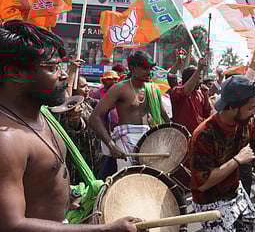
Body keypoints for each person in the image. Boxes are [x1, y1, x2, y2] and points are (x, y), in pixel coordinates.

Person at [0, 20, 142, 231]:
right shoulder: (7, 140)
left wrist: (70, 201)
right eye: (52, 68)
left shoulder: (42, 116)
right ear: (15, 72)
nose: (64, 75)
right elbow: (11, 225)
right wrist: (104, 229)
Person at [189, 75, 255, 232]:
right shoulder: (203, 135)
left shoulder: (249, 123)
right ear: (232, 107)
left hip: (234, 192)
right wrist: (237, 160)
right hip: (209, 201)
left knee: (253, 227)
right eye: (250, 108)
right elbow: (203, 184)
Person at [90, 50, 169, 170]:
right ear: (132, 68)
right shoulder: (119, 89)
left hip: (148, 140)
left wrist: (170, 138)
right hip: (124, 141)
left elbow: (164, 116)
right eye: (144, 68)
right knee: (127, 180)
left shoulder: (153, 90)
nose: (149, 72)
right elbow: (94, 118)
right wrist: (111, 145)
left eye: (150, 68)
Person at [170, 59, 212, 134]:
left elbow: (206, 114)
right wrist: (198, 70)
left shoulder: (199, 94)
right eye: (198, 78)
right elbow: (185, 92)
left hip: (197, 137)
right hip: (182, 136)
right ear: (190, 79)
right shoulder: (176, 91)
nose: (201, 81)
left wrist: (206, 96)